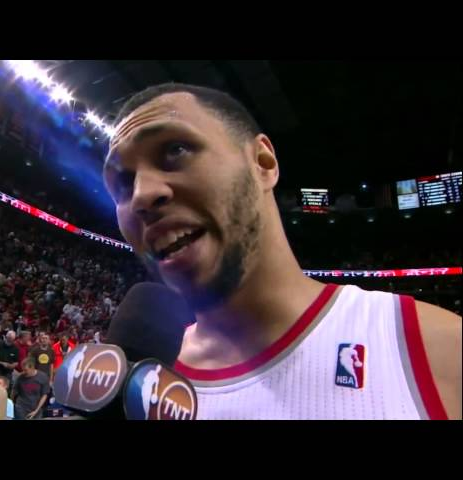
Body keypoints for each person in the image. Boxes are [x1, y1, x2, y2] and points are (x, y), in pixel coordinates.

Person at [103, 83, 462, 420]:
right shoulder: (135, 383)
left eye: (175, 150)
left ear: (263, 163)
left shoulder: (436, 349)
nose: (141, 195)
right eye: (122, 182)